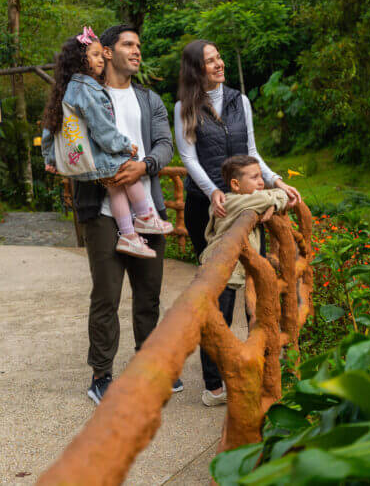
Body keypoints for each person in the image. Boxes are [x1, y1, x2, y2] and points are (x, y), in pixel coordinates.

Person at [57, 23, 182, 405]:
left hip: (147, 207)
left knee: (149, 295)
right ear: (107, 52)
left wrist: (144, 165)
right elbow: (67, 138)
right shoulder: (83, 92)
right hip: (100, 211)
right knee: (106, 296)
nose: (137, 50)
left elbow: (165, 144)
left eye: (138, 44)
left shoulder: (149, 99)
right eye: (128, 44)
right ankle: (101, 374)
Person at [174, 39, 301, 406]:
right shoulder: (185, 107)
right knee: (220, 293)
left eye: (219, 57)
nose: (219, 64)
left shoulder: (239, 101)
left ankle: (258, 368)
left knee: (255, 284)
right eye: (210, 60)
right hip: (208, 208)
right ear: (196, 69)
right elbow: (188, 158)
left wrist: (276, 181)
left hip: (246, 205)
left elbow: (252, 152)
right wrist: (214, 190)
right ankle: (215, 383)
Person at [41, 27, 173, 259]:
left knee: (116, 188)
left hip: (96, 168)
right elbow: (104, 130)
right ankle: (143, 218)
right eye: (95, 55)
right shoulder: (90, 89)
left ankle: (129, 234)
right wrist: (125, 146)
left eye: (138, 46)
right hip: (98, 193)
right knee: (124, 169)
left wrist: (50, 157)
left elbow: (51, 128)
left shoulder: (67, 89)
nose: (136, 51)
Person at [199, 155, 289, 406]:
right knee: (216, 325)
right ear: (235, 184)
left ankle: (254, 369)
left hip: (236, 270)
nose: (262, 182)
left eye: (261, 176)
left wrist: (270, 204)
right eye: (255, 177)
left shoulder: (247, 200)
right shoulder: (232, 201)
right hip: (220, 270)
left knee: (248, 316)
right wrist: (273, 202)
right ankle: (213, 389)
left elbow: (271, 198)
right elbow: (281, 196)